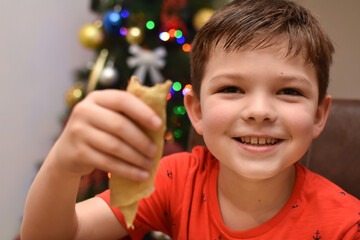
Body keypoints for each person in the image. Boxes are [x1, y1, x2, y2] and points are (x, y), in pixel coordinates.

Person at [21, 0, 360, 239]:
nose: (260, 111)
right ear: (196, 111)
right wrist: (63, 166)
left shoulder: (347, 226)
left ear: (319, 115)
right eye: (231, 88)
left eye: (288, 91)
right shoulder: (177, 180)